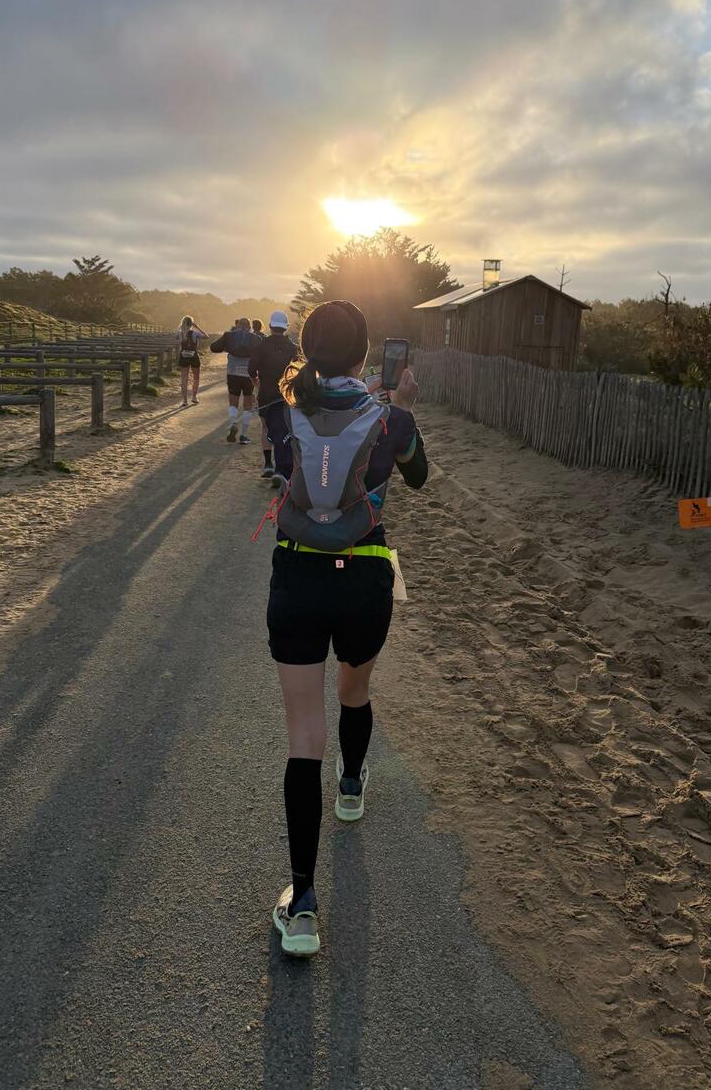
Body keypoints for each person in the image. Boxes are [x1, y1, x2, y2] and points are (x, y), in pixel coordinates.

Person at [261, 299, 427, 956]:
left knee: (304, 737)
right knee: (355, 691)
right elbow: (418, 477)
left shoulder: (281, 412)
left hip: (297, 575)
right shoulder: (392, 418)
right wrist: (402, 404)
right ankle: (352, 787)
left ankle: (302, 905)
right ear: (366, 356)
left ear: (306, 351)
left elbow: (285, 472)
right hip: (364, 576)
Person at [248, 310, 297, 480]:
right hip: (286, 396)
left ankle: (268, 464)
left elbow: (251, 369)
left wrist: (255, 381)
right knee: (285, 430)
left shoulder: (262, 345)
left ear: (270, 326)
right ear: (286, 327)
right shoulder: (293, 348)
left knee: (266, 428)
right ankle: (280, 468)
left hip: (266, 394)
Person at [210, 316, 261, 443]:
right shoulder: (255, 338)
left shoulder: (229, 335)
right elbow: (261, 355)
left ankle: (233, 423)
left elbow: (213, 347)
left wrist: (226, 347)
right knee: (248, 404)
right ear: (250, 327)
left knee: (233, 401)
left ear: (237, 326)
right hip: (249, 373)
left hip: (233, 372)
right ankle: (243, 435)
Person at [176, 315, 208, 406]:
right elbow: (206, 336)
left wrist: (181, 328)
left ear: (183, 323)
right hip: (193, 355)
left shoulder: (180, 333)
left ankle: (185, 400)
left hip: (183, 356)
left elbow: (176, 338)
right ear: (191, 324)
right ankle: (194, 397)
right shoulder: (195, 333)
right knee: (196, 377)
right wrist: (197, 327)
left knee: (184, 379)